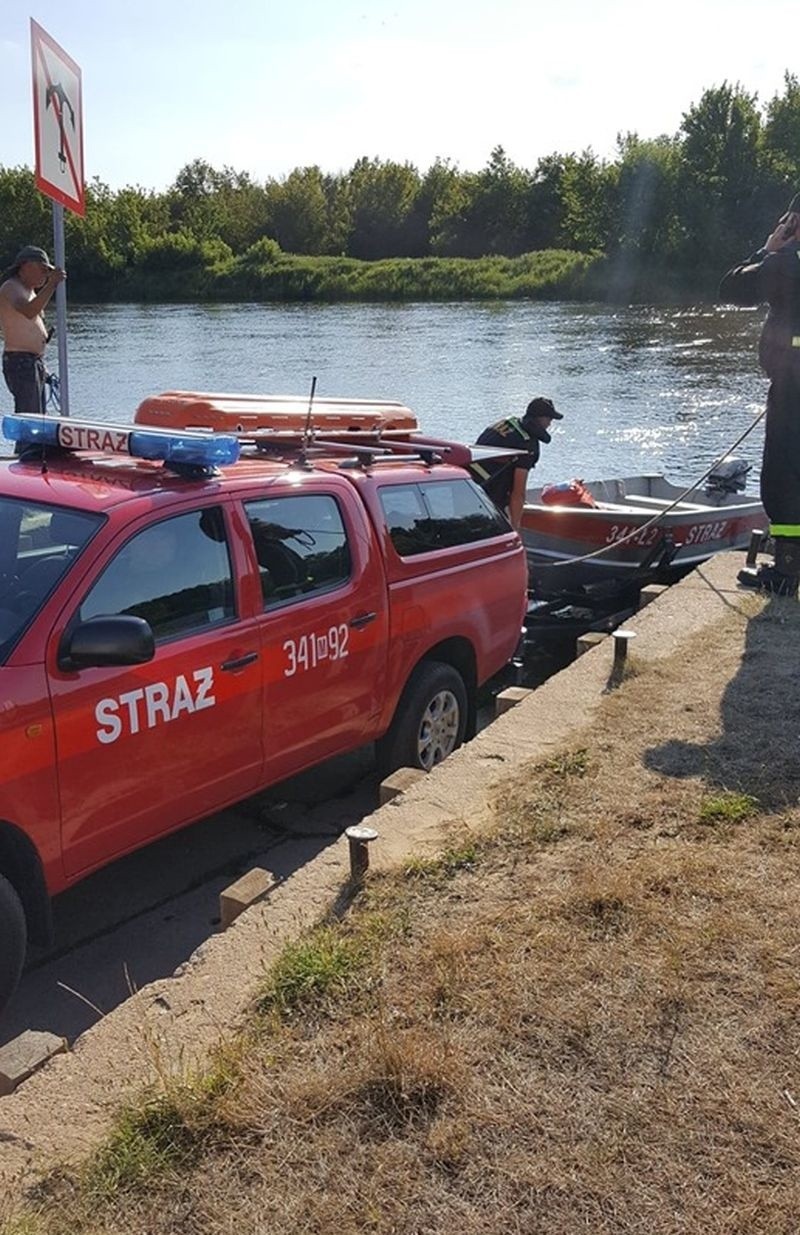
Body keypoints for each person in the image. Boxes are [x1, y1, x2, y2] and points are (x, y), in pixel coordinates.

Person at [719, 195, 800, 597]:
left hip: (793, 388)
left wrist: (768, 248)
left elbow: (732, 289)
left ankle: (786, 571)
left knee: (784, 475)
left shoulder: (786, 263)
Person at [471, 396, 563, 529]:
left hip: (467, 486)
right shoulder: (527, 445)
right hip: (487, 496)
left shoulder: (507, 423)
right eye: (549, 419)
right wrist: (515, 527)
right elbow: (518, 492)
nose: (550, 424)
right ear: (540, 418)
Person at [0, 245, 65, 415]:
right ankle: (27, 443)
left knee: (39, 418)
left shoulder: (30, 291)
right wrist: (52, 285)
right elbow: (28, 311)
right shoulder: (11, 287)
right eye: (43, 269)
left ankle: (35, 443)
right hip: (20, 362)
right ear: (26, 266)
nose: (46, 274)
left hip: (33, 362)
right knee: (30, 418)